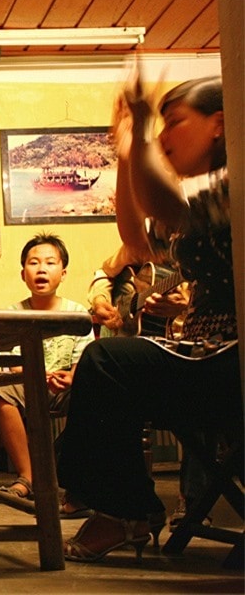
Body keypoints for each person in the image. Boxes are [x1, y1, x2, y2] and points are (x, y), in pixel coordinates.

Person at [58, 74, 240, 562]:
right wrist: (124, 152)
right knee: (104, 366)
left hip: (230, 357)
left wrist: (138, 136)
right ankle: (124, 512)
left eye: (174, 123)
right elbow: (138, 240)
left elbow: (169, 208)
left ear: (219, 125)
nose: (163, 136)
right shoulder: (199, 193)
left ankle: (122, 514)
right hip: (205, 356)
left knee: (107, 362)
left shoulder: (233, 184)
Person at [0, 233, 94, 500]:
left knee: (94, 389)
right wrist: (37, 376)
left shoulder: (76, 314)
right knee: (0, 392)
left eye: (50, 263)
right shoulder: (13, 314)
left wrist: (71, 378)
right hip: (26, 384)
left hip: (65, 389)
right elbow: (11, 363)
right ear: (23, 274)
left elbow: (83, 360)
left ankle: (75, 477)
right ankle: (28, 476)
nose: (41, 269)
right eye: (34, 263)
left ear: (63, 273)